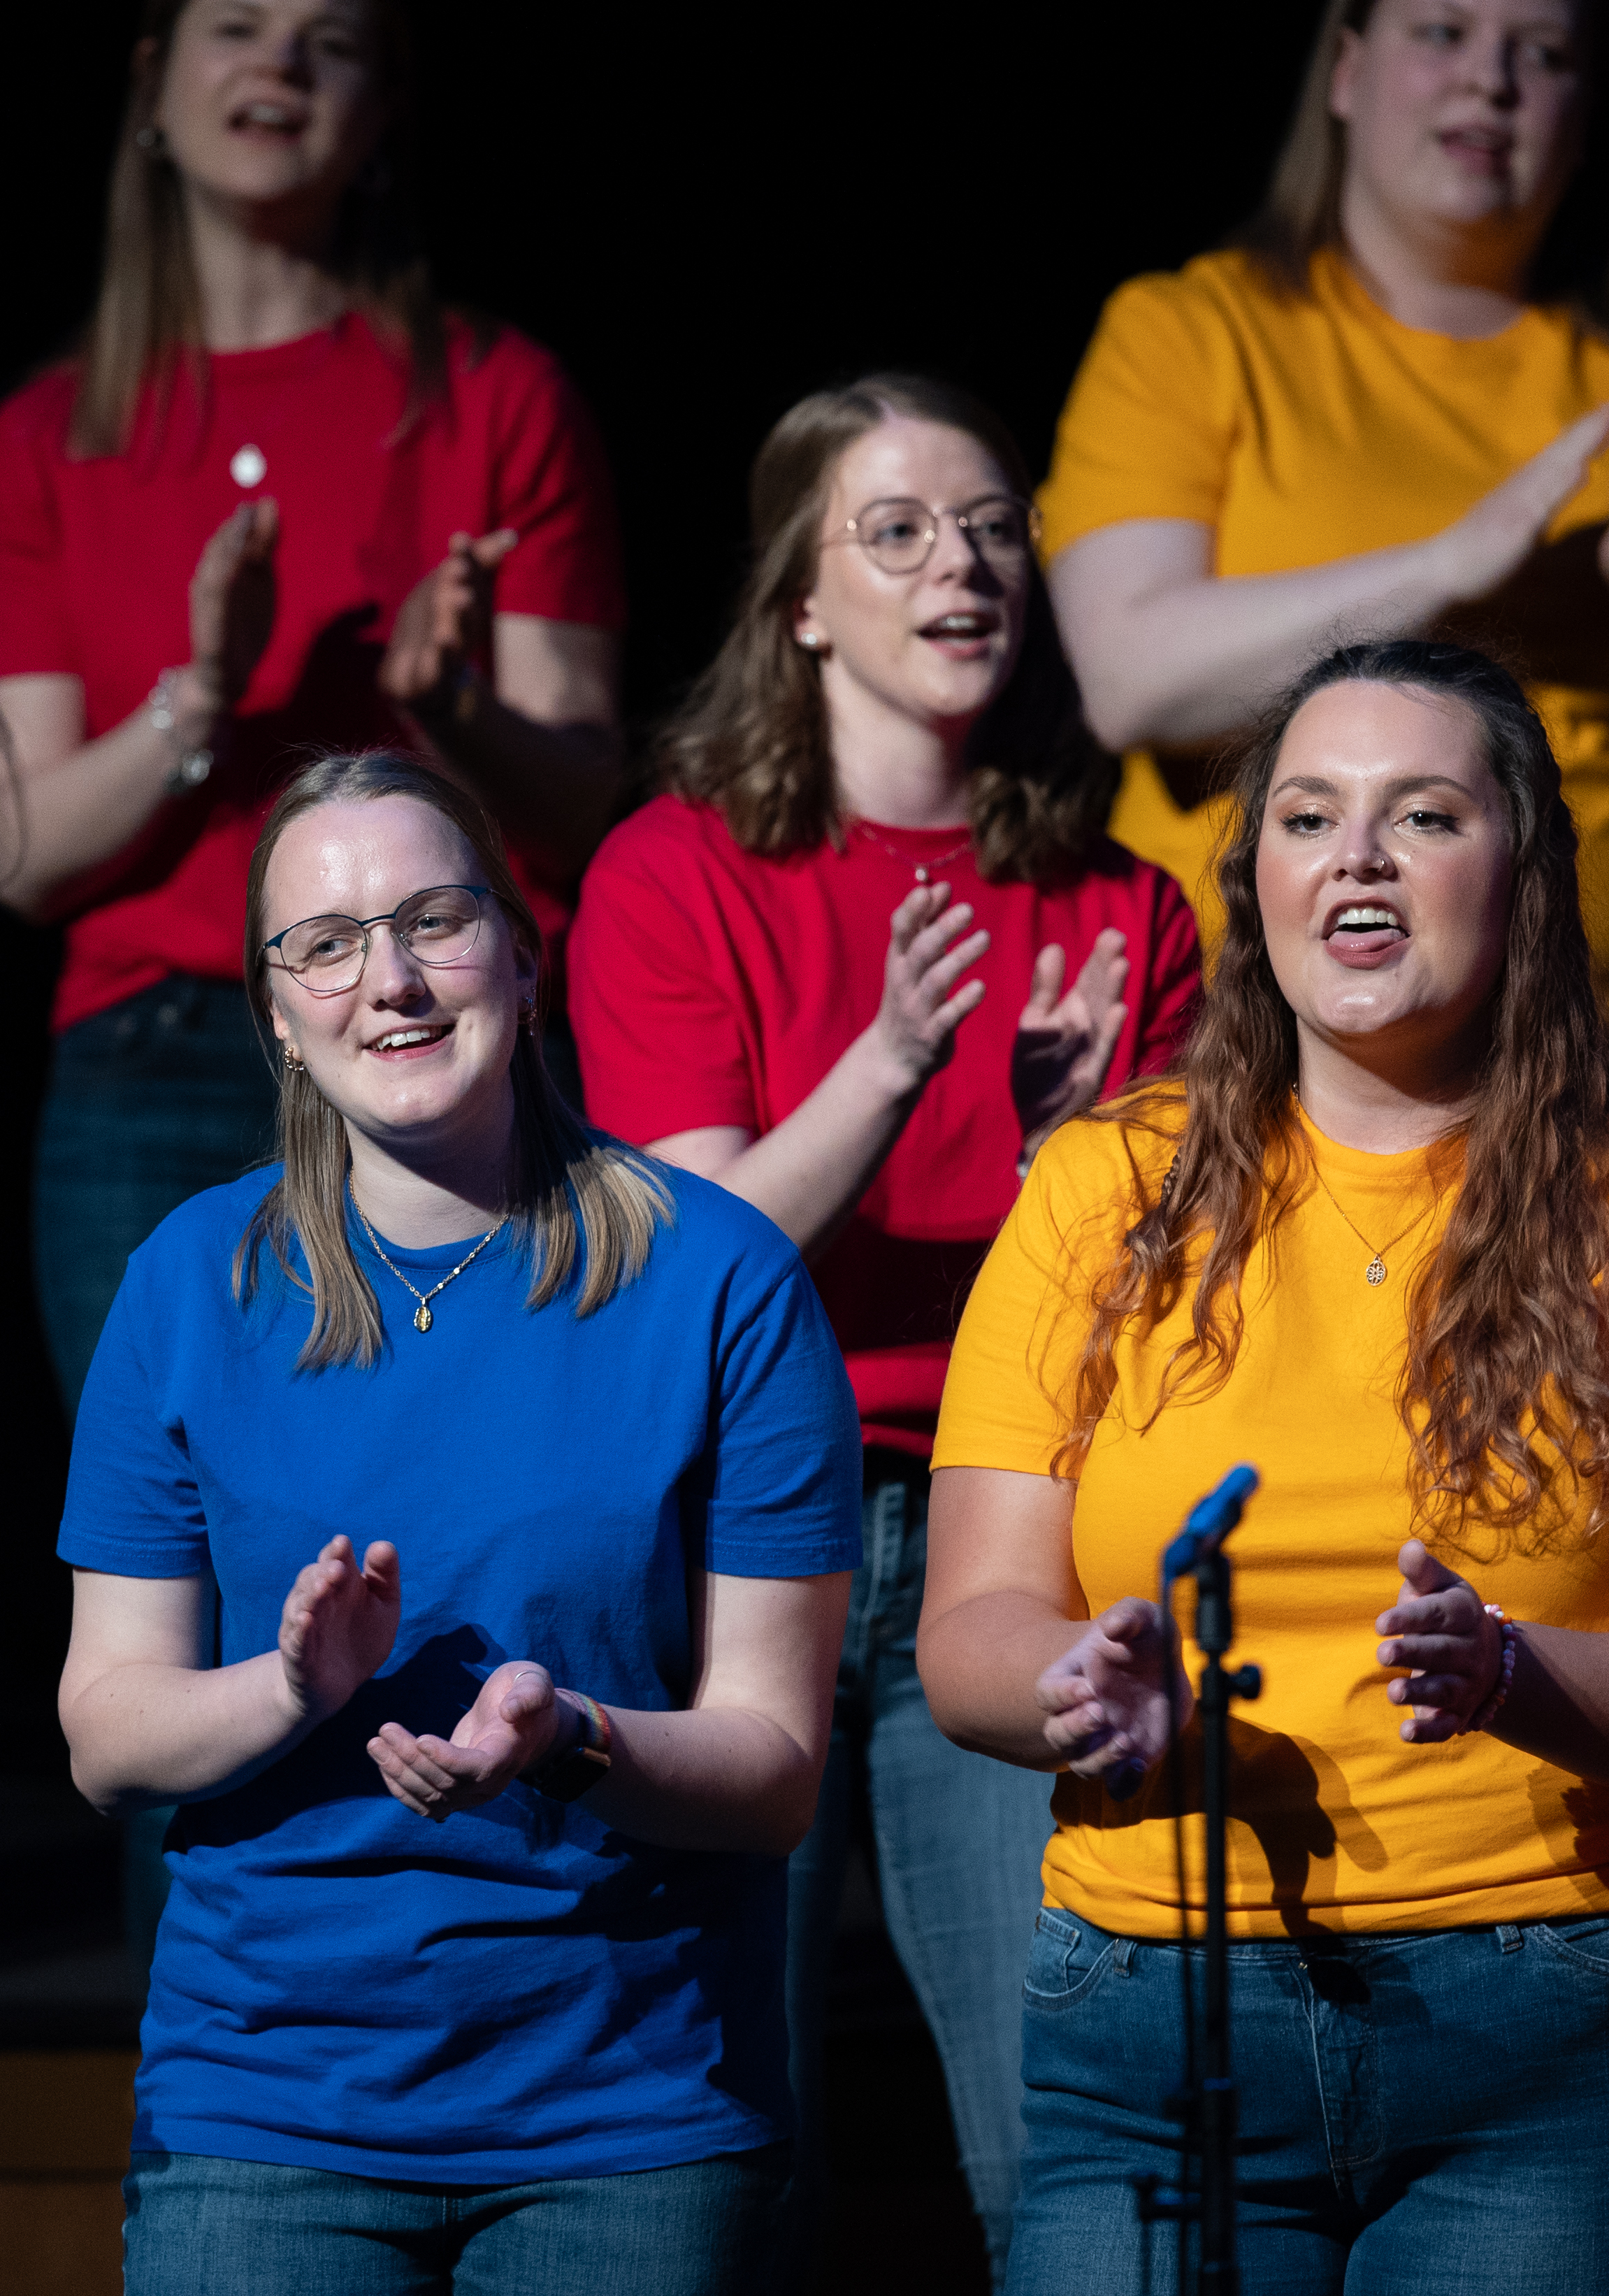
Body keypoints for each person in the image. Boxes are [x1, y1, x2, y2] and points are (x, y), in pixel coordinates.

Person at [918, 640, 1609, 2290]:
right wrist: (1089, 1684)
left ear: (1526, 880)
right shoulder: (1097, 1191)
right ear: (1257, 879)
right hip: (1154, 2012)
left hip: (1563, 2016)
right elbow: (971, 1631)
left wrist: (1519, 1675)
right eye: (1308, 816)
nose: (1355, 855)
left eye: (1422, 815)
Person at [57, 752, 856, 2296]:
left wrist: (571, 1736)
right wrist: (290, 1687)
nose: (394, 980)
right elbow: (105, 1732)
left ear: (523, 955)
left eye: (437, 920)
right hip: (269, 2104)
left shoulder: (722, 1280)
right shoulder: (188, 1282)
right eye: (329, 944)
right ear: (278, 1017)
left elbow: (772, 1778)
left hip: (628, 2107)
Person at [570, 373, 1200, 2273]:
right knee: (716, 2138)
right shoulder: (672, 872)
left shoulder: (1125, 907)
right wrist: (899, 1064)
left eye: (995, 525)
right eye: (902, 530)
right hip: (725, 1537)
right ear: (801, 606)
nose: (965, 564)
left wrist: (1066, 1151)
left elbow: (1165, 1299)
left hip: (998, 1530)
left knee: (1058, 2124)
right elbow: (687, 1256)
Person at [0, 0, 626, 1414]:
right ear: (155, 84)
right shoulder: (49, 439)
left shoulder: (494, 394)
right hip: (163, 1052)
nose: (283, 70)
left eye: (332, 45)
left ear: (380, 110)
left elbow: (589, 795)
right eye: (241, 30)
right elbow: (21, 854)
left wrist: (445, 703)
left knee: (488, 1499)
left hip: (451, 1029)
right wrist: (200, 694)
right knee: (185, 1551)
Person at [1042, 0, 1609, 1026]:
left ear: (1588, 113)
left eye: (1541, 54)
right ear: (1347, 73)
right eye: (1443, 33)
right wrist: (1450, 567)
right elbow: (1128, 681)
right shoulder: (1190, 331)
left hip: (1600, 1034)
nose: (1488, 83)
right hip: (1242, 1028)